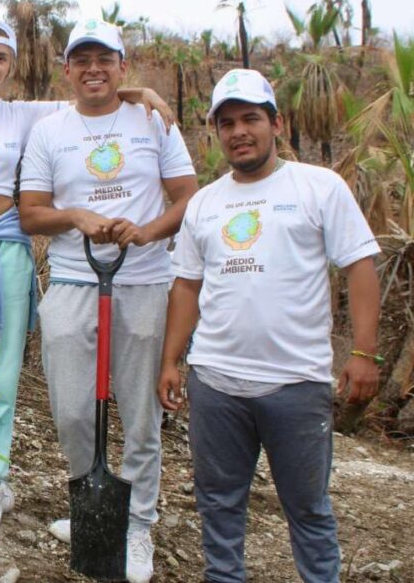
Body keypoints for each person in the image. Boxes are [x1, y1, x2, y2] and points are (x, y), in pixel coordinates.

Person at [0, 18, 174, 532]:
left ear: (12, 66)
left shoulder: (24, 116)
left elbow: (91, 96)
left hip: (5, 248)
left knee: (1, 368)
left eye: (2, 58)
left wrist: (139, 88)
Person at [158, 68, 382, 583]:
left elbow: (360, 265)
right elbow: (187, 286)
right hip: (216, 381)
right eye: (227, 122)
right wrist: (172, 361)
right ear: (216, 132)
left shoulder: (317, 187)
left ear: (275, 123)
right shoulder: (206, 203)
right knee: (217, 502)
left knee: (307, 507)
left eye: (251, 119)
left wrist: (365, 354)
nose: (239, 131)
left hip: (296, 383)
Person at [18, 19, 198, 583]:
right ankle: (93, 506)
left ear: (123, 66)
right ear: (67, 69)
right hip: (74, 280)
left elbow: (187, 196)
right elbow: (30, 212)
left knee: (140, 413)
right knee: (72, 408)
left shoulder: (152, 120)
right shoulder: (50, 130)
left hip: (144, 283)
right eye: (82, 59)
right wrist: (75, 216)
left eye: (106, 59)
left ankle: (138, 524)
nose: (93, 68)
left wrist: (147, 232)